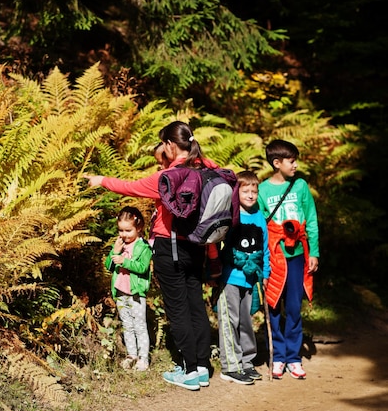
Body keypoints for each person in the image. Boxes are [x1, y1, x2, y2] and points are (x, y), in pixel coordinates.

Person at [84, 120, 216, 391]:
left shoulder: (168, 176)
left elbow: (130, 187)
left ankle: (189, 371)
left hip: (169, 246)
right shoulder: (206, 166)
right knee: (195, 305)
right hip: (197, 245)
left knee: (177, 309)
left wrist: (100, 181)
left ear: (168, 145)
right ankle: (202, 367)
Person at [258, 139, 319, 380]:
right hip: (274, 257)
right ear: (277, 163)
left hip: (297, 257)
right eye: (291, 161)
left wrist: (313, 252)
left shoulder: (301, 186)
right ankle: (278, 355)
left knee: (294, 307)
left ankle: (293, 357)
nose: (296, 165)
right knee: (274, 306)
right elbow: (260, 228)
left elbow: (311, 219)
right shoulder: (262, 190)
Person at [216, 171, 270, 385]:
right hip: (230, 277)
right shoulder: (230, 215)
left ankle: (247, 361)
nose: (250, 195)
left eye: (254, 191)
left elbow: (264, 247)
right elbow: (218, 244)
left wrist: (265, 274)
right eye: (245, 191)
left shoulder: (259, 216)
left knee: (246, 321)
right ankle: (230, 365)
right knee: (230, 321)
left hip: (250, 279)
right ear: (236, 192)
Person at [105, 206, 153, 371]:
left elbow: (142, 268)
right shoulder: (119, 245)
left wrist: (124, 261)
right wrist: (114, 251)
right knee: (127, 325)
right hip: (120, 291)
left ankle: (143, 358)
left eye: (128, 230)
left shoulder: (143, 248)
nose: (124, 235)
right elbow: (108, 266)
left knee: (139, 325)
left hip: (135, 293)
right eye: (121, 230)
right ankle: (131, 355)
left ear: (138, 227)